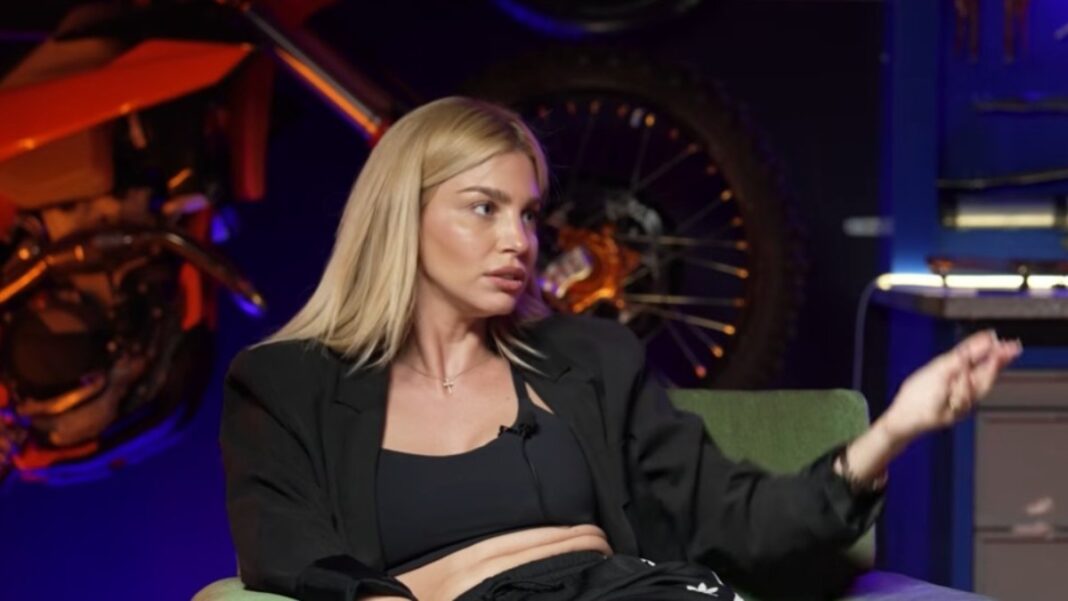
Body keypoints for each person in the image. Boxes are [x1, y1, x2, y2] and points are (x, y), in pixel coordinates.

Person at [219, 97, 1022, 601]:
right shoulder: (287, 384)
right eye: (484, 208)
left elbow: (732, 515)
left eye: (528, 214)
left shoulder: (592, 358)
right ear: (403, 215)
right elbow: (287, 546)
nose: (520, 240)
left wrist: (894, 430)